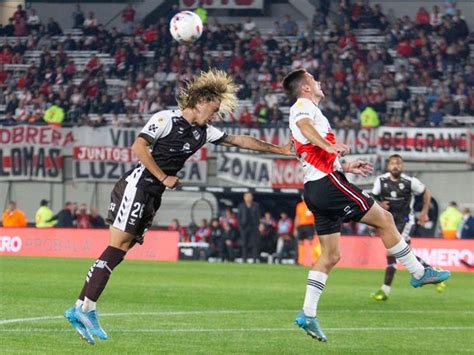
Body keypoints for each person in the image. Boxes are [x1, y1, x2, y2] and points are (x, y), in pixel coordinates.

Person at [64, 69, 293, 345]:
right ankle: (86, 307)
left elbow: (241, 140)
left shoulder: (203, 132)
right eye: (213, 109)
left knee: (120, 250)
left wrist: (280, 150)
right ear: (198, 102)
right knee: (115, 247)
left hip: (152, 194)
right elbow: (138, 147)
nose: (215, 115)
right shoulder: (165, 119)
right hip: (137, 186)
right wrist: (163, 176)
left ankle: (80, 308)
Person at [281, 68, 450, 342]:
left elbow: (314, 154)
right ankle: (419, 272)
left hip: (317, 185)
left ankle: (307, 314)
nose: (320, 81)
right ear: (306, 88)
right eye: (314, 79)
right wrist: (331, 146)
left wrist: (344, 164)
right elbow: (305, 129)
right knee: (384, 217)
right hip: (328, 183)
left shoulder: (311, 110)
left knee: (331, 256)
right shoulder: (302, 106)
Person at [370, 154, 445, 301]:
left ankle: (384, 290)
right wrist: (379, 204)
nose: (395, 166)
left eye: (398, 163)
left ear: (402, 166)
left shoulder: (410, 181)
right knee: (404, 254)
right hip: (388, 222)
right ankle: (433, 272)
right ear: (388, 166)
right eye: (392, 163)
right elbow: (372, 197)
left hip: (405, 221)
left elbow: (425, 192)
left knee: (393, 251)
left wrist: (424, 212)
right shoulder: (381, 180)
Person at [238, 192, 260, 263]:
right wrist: (240, 226)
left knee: (254, 243)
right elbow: (239, 216)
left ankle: (254, 259)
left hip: (253, 226)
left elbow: (258, 216)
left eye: (250, 196)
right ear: (244, 198)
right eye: (247, 197)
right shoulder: (241, 206)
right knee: (244, 243)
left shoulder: (256, 205)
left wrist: (257, 225)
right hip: (244, 227)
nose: (248, 198)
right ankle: (244, 258)